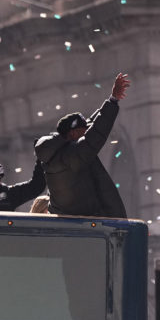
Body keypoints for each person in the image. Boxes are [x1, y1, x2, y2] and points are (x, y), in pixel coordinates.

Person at [34, 73, 130, 218]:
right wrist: (113, 99)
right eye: (82, 131)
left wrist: (109, 103)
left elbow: (92, 125)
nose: (86, 133)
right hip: (85, 223)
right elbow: (95, 134)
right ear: (72, 134)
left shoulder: (56, 150)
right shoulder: (72, 156)